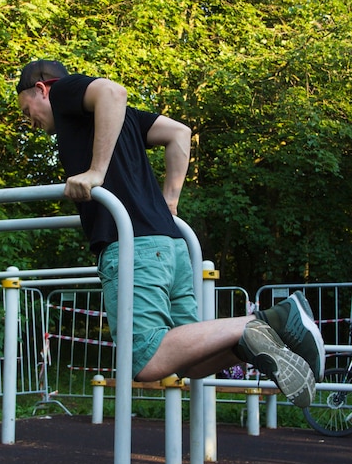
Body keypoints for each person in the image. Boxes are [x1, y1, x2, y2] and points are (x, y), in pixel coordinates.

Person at [17, 59, 325, 408]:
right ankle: (260, 342)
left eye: (27, 111)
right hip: (169, 245)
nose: (30, 122)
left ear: (42, 89)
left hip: (133, 245)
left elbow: (112, 90)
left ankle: (266, 321)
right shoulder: (123, 119)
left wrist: (96, 172)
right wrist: (171, 205)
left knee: (145, 361)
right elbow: (179, 132)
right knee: (193, 363)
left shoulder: (66, 93)